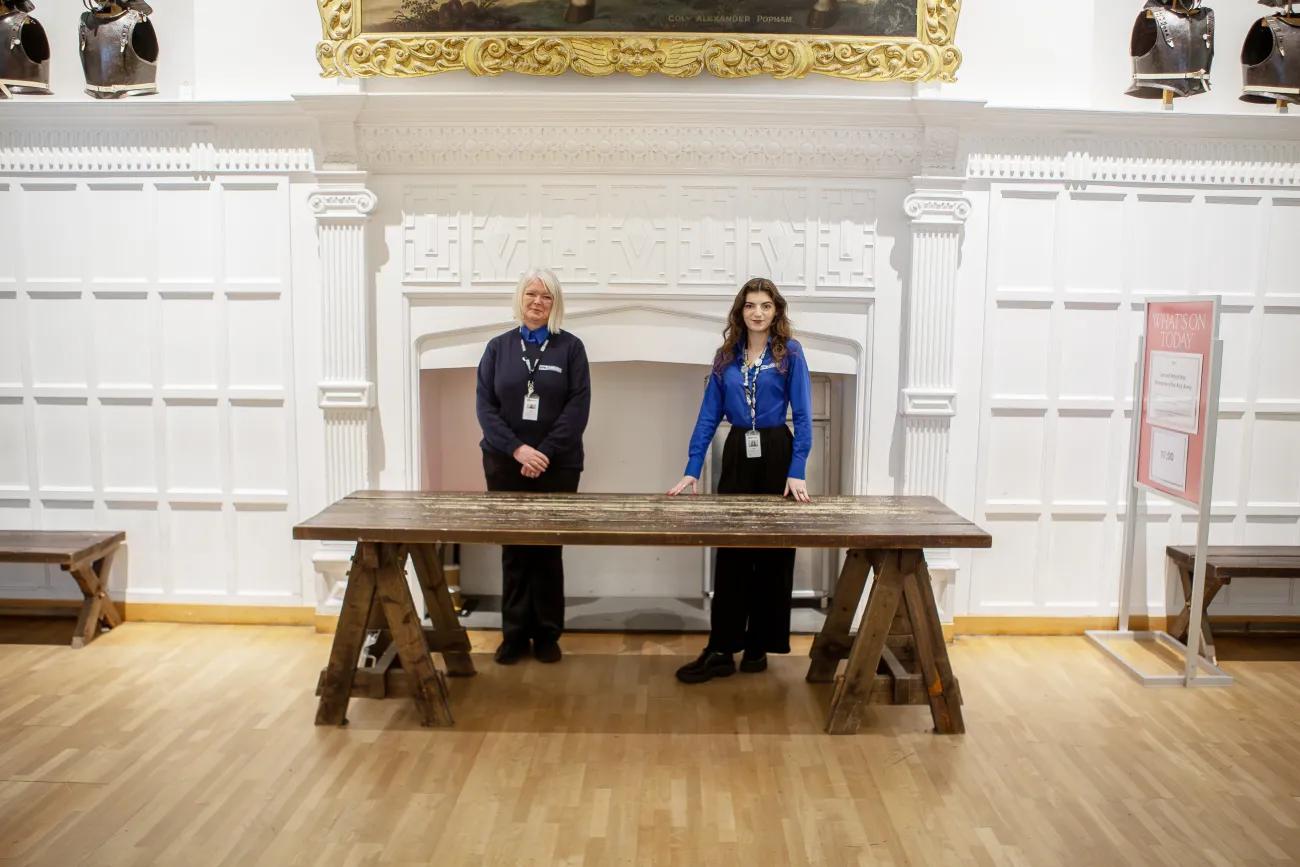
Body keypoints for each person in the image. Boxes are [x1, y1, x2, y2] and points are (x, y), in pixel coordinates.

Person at [668, 277, 813, 684]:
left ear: (776, 310)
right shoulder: (725, 357)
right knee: (732, 553)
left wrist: (797, 468)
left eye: (765, 305)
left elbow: (803, 414)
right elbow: (707, 415)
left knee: (773, 555)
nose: (758, 312)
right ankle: (721, 648)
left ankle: (758, 646)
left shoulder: (790, 353)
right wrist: (692, 467)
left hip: (777, 452)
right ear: (740, 311)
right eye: (750, 305)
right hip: (737, 453)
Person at [476, 268, 590, 665]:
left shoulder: (571, 348)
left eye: (546, 296)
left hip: (558, 466)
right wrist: (518, 450)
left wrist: (543, 453)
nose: (538, 302)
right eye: (531, 294)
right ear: (520, 299)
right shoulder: (497, 348)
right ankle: (513, 634)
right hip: (505, 463)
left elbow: (578, 408)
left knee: (547, 548)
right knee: (514, 549)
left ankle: (546, 634)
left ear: (555, 303)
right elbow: (485, 409)